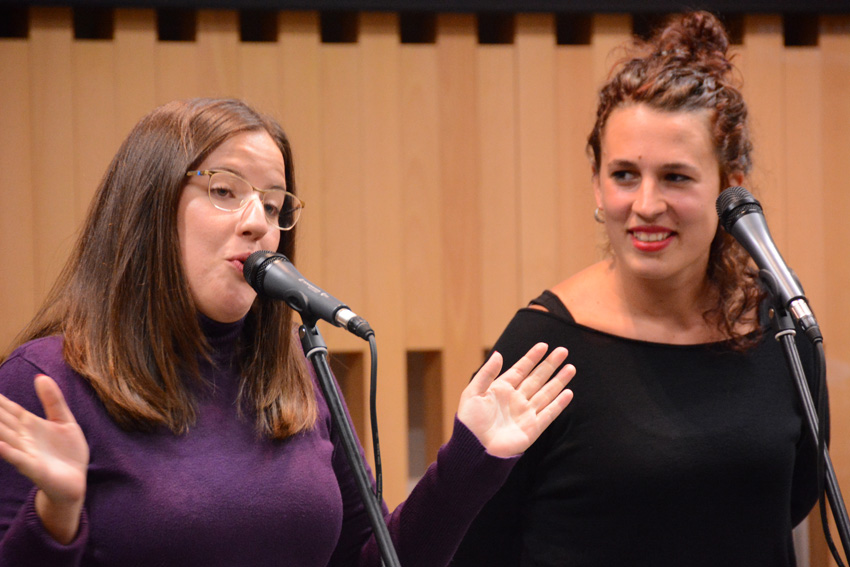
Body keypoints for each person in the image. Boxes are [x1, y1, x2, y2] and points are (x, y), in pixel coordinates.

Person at [0, 98, 577, 566]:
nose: (259, 223)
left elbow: (367, 558)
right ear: (150, 207)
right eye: (224, 191)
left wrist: (469, 463)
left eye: (274, 205)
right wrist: (56, 512)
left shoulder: (301, 373)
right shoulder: (46, 382)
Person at [451, 11, 826, 567]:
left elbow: (793, 499)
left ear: (730, 189)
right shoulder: (540, 346)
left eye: (676, 177)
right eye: (625, 175)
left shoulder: (783, 327)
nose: (646, 205)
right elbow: (475, 542)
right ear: (598, 187)